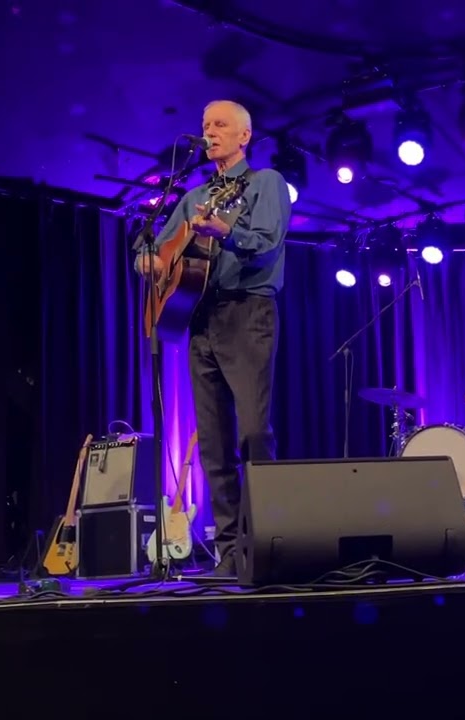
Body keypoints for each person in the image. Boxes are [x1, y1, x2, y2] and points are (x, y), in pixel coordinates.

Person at [135, 99, 291, 576]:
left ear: (245, 136)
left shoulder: (266, 183)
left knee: (251, 433)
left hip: (247, 313)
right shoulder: (192, 195)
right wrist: (150, 262)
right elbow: (154, 250)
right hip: (199, 320)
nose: (209, 132)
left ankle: (269, 543)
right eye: (205, 125)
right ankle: (229, 553)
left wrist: (227, 231)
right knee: (214, 445)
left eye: (220, 124)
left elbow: (266, 245)